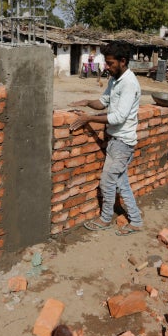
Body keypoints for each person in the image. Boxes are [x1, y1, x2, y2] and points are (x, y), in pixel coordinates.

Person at [69, 42, 143, 235]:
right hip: (115, 141)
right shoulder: (115, 79)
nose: (106, 67)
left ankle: (105, 219)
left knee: (107, 183)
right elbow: (103, 103)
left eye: (110, 63)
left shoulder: (129, 83)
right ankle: (135, 221)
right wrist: (86, 102)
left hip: (123, 143)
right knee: (121, 183)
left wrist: (89, 118)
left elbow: (118, 117)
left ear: (123, 61)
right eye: (106, 63)